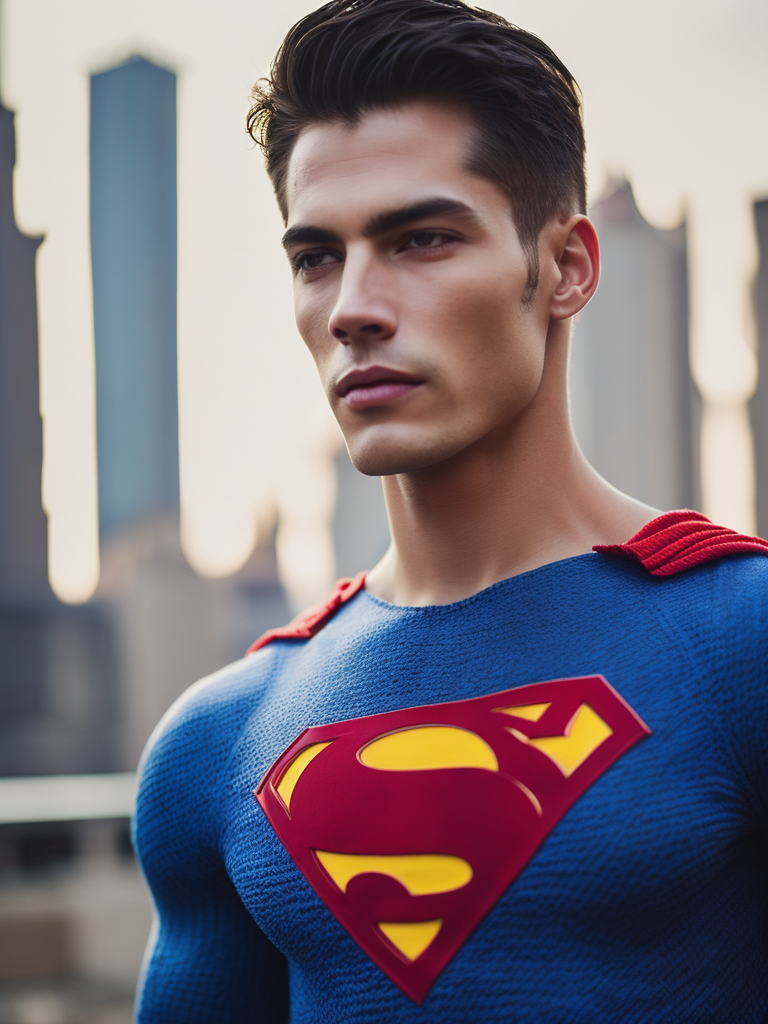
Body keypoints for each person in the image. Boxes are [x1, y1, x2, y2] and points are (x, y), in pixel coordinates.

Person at [132, 1, 768, 1020]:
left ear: (564, 268)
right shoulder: (217, 743)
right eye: (316, 257)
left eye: (421, 239)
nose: (353, 307)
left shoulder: (742, 642)